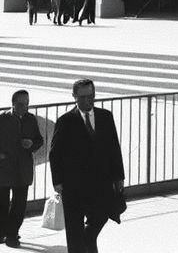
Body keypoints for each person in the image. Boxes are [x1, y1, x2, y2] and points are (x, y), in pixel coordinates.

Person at [49, 78, 126, 253]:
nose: (87, 101)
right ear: (74, 97)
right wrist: (58, 182)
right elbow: (55, 154)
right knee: (74, 231)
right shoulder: (66, 121)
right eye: (82, 97)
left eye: (90, 96)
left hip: (101, 182)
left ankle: (88, 238)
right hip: (74, 185)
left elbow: (114, 147)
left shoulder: (105, 117)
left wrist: (119, 176)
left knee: (101, 216)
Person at [0, 89, 44, 248]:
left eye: (27, 104)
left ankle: (12, 233)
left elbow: (39, 140)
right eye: (21, 104)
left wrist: (31, 145)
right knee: (1, 200)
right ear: (13, 104)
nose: (25, 107)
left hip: (23, 167)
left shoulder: (30, 119)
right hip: (5, 166)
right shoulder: (1, 118)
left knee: (19, 202)